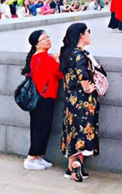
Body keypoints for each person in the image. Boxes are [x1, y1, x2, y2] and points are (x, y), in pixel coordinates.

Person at [59, 23, 99, 182]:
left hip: (71, 100)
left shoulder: (68, 53)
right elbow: (83, 76)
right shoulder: (80, 55)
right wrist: (89, 88)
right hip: (83, 100)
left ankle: (75, 167)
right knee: (83, 131)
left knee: (73, 131)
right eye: (88, 31)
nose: (90, 34)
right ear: (81, 35)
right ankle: (74, 167)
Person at [22, 30, 63, 171]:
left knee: (38, 127)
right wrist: (57, 59)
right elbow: (59, 73)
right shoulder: (45, 58)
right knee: (42, 128)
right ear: (37, 45)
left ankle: (37, 157)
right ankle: (30, 158)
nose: (48, 40)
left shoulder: (37, 57)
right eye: (44, 38)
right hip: (45, 97)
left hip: (38, 97)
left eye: (48, 37)